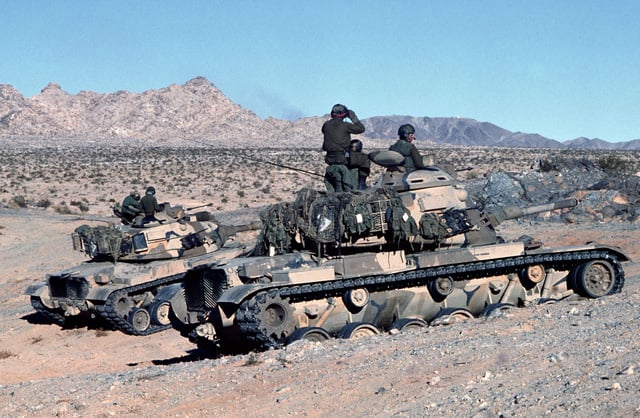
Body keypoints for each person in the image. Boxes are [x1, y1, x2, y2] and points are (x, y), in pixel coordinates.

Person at [321, 104, 365, 192]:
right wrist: (352, 117)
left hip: (330, 159)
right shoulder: (345, 125)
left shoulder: (326, 125)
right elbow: (361, 129)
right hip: (342, 159)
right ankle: (360, 185)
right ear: (343, 114)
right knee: (363, 161)